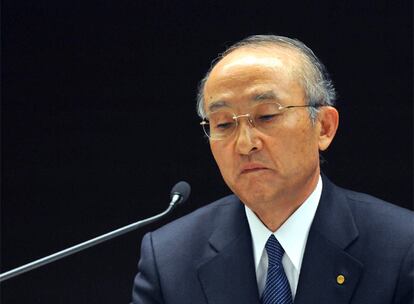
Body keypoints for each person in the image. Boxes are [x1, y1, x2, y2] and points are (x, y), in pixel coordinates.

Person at [131, 35, 414, 304]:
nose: (245, 144)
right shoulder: (169, 258)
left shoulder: (402, 247)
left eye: (267, 116)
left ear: (324, 127)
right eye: (224, 124)